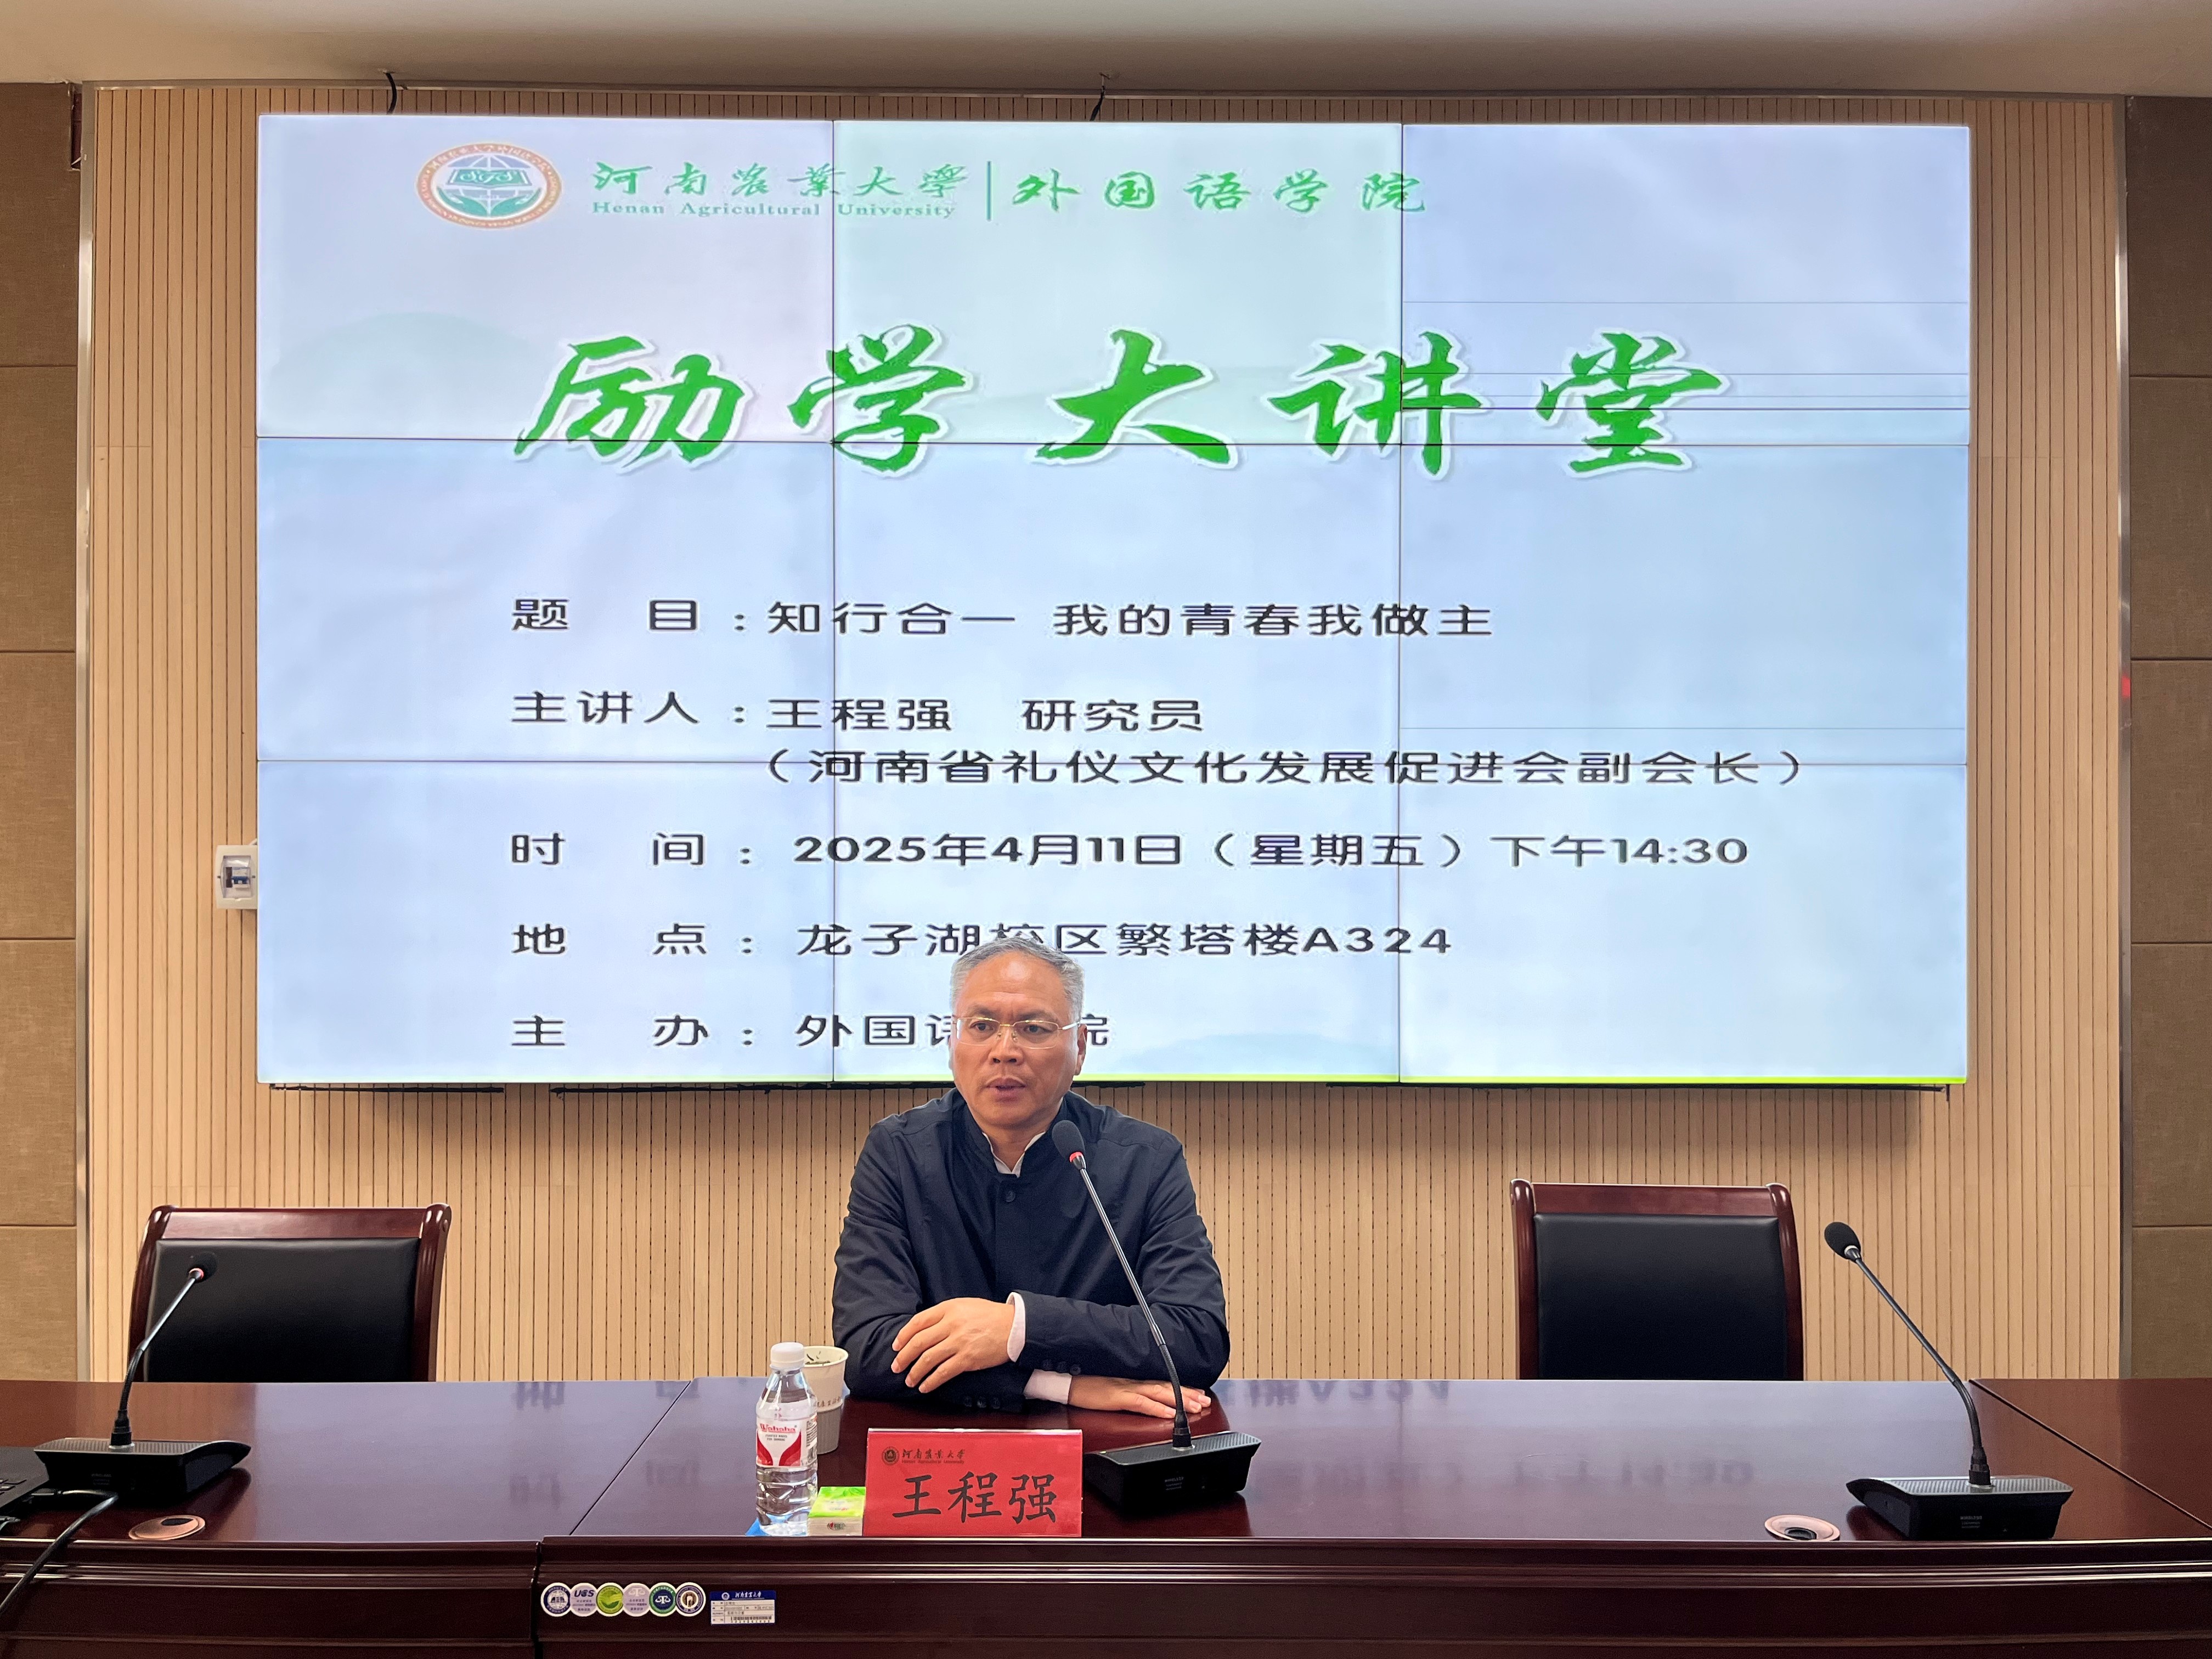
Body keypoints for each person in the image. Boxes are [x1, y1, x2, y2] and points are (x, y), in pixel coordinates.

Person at [832, 936, 1229, 1419]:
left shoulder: (1144, 1160)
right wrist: (1056, 1384)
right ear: (951, 1043)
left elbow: (1195, 1338)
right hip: (945, 1446)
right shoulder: (899, 1153)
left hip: (1101, 1452)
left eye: (1034, 1028)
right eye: (982, 1026)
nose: (1005, 1051)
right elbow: (868, 1349)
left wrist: (1018, 1326)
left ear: (1079, 1048)